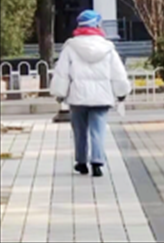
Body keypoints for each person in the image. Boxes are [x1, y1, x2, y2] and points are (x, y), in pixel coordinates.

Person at [50, 10, 131, 177]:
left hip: (78, 97)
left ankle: (81, 162)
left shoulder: (70, 47)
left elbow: (62, 72)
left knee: (79, 131)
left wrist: (60, 92)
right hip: (101, 97)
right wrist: (121, 92)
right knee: (98, 130)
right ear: (97, 25)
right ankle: (97, 162)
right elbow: (118, 73)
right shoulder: (108, 48)